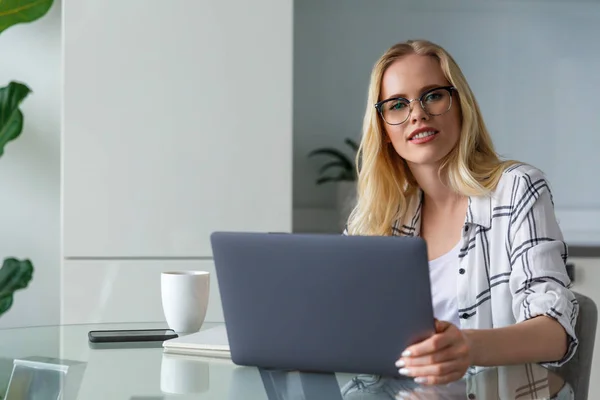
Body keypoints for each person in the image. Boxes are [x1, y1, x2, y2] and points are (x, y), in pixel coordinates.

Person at [344, 39, 579, 386]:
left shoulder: (516, 189)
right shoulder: (377, 220)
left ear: (460, 105)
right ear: (383, 127)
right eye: (397, 105)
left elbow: (555, 332)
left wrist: (467, 346)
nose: (417, 114)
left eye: (433, 95)